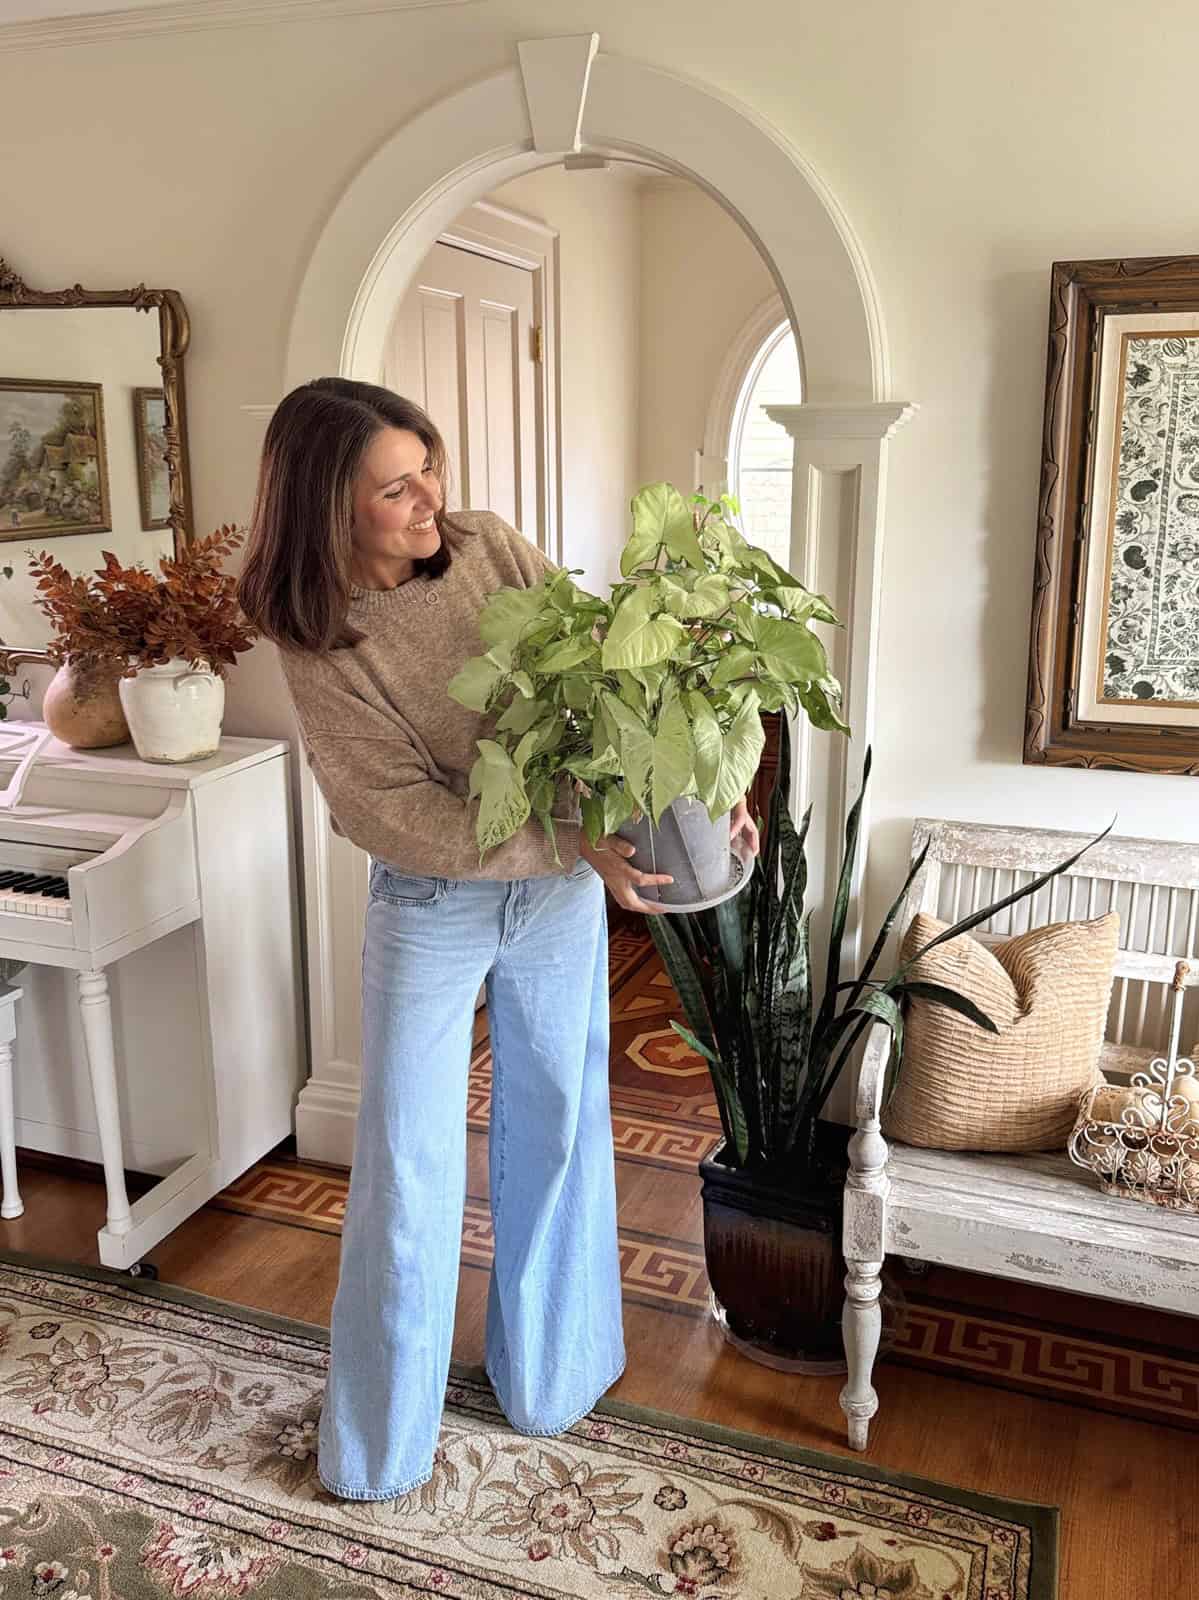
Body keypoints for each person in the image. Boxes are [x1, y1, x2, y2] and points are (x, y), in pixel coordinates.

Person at [237, 377, 759, 1502]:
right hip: (433, 905)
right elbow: (393, 812)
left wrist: (693, 790)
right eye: (397, 486)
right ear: (331, 508)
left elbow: (604, 693)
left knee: (561, 1123)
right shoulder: (319, 636)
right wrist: (573, 846)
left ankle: (551, 1377)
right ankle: (380, 1446)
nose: (432, 497)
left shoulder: (490, 549)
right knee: (410, 1163)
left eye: (429, 465)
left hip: (559, 893)